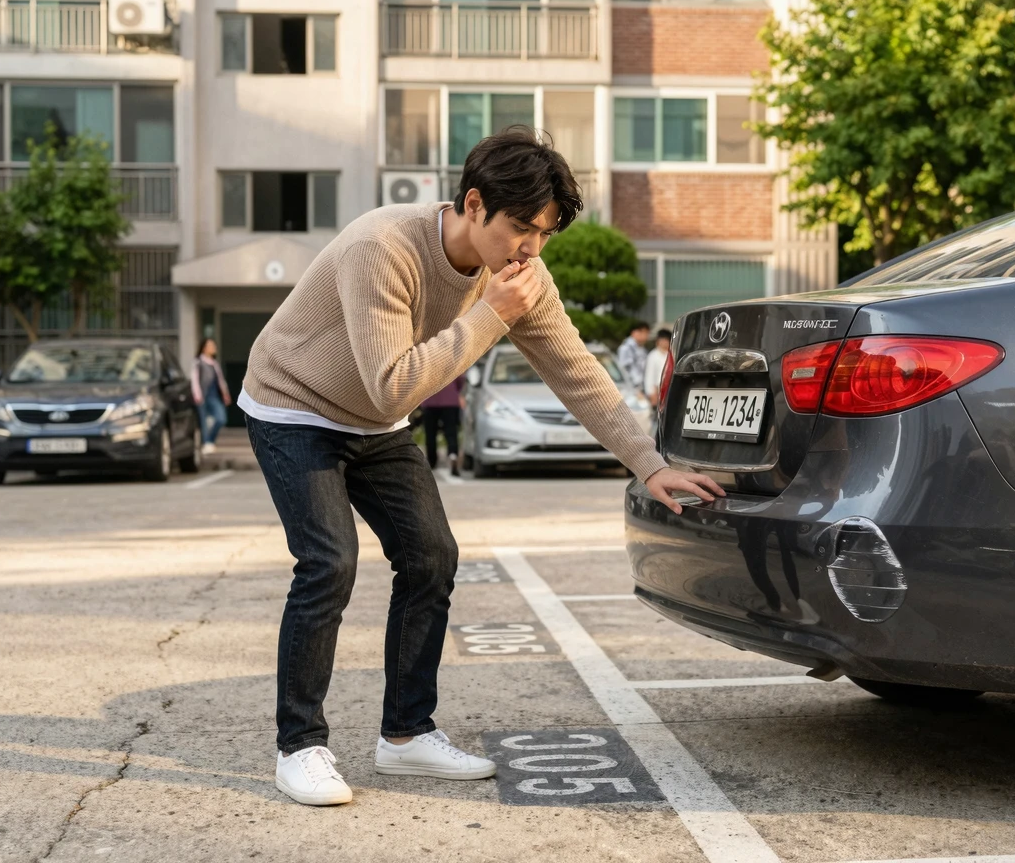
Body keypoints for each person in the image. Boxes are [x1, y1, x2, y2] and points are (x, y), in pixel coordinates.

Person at [238, 126, 724, 807]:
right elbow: (393, 385)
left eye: (546, 234)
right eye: (521, 228)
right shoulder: (384, 248)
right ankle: (300, 747)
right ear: (474, 205)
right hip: (294, 404)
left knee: (432, 555)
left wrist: (647, 464)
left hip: (373, 422)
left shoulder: (523, 277)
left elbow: (575, 371)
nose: (531, 249)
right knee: (329, 561)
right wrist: (491, 315)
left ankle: (405, 735)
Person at [190, 338, 231, 454]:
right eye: (211, 346)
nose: (213, 348)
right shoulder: (198, 362)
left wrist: (225, 394)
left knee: (221, 418)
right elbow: (194, 380)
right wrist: (197, 395)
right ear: (204, 348)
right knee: (202, 422)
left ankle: (210, 440)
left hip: (214, 396)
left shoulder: (214, 363)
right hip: (202, 395)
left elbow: (221, 380)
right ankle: (206, 443)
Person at [420, 375, 465, 476]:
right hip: (450, 399)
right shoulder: (451, 360)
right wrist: (457, 389)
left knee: (430, 433)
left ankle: (432, 461)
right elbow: (460, 378)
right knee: (451, 432)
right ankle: (452, 454)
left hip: (430, 400)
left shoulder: (426, 361)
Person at [643, 328, 673, 407]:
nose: (664, 342)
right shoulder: (653, 355)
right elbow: (649, 375)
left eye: (666, 340)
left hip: (670, 389)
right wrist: (651, 393)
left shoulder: (672, 355)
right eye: (662, 340)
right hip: (658, 391)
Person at [617, 321, 650, 389]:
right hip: (632, 389)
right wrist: (636, 389)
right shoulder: (625, 348)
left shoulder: (641, 348)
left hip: (642, 386)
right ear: (635, 332)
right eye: (645, 333)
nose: (647, 336)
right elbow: (625, 371)